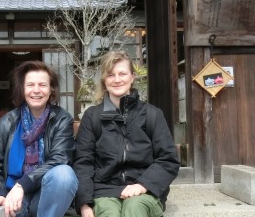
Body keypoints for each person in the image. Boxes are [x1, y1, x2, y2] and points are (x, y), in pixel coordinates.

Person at [73, 50, 180, 217]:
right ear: (104, 80)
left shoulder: (152, 114)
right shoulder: (92, 116)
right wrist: (84, 203)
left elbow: (168, 159)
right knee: (109, 212)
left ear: (132, 77)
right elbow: (83, 162)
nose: (117, 80)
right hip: (104, 191)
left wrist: (142, 185)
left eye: (122, 73)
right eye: (110, 75)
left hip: (144, 190)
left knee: (134, 209)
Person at [0, 61, 78, 217]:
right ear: (22, 89)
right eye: (30, 85)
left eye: (43, 85)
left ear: (51, 89)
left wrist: (22, 185)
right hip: (12, 195)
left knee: (64, 174)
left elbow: (60, 159)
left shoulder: (61, 119)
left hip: (45, 194)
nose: (36, 91)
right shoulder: (7, 122)